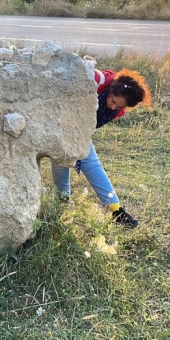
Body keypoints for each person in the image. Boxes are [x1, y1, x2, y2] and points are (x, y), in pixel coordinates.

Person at [51, 66, 151, 227]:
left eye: (119, 107)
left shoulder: (117, 108)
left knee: (79, 159)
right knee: (78, 159)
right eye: (112, 101)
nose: (113, 108)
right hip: (60, 116)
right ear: (111, 89)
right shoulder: (99, 80)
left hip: (78, 128)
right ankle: (116, 211)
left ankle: (64, 200)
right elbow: (74, 69)